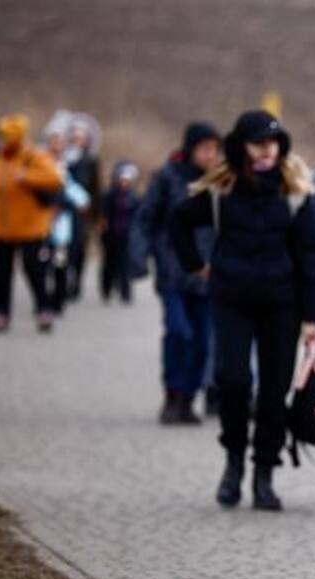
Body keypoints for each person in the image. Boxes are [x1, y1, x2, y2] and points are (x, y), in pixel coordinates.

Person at [172, 110, 315, 511]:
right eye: (258, 143)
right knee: (232, 382)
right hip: (231, 300)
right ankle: (234, 462)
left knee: (274, 393)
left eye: (272, 143)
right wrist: (195, 265)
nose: (266, 151)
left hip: (282, 305)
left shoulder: (295, 194)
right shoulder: (222, 189)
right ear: (242, 146)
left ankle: (263, 475)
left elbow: (310, 259)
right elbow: (178, 220)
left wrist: (312, 319)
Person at [131, 122, 222, 425]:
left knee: (203, 342)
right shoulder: (167, 178)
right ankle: (172, 394)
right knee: (179, 332)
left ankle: (188, 398)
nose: (211, 155)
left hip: (209, 275)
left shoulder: (221, 182)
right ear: (191, 148)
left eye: (215, 149)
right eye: (205, 148)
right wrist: (139, 256)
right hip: (172, 271)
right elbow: (145, 219)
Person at [0, 114, 63, 332]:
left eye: (4, 138)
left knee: (34, 270)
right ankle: (1, 313)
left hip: (30, 228)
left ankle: (43, 309)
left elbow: (55, 179)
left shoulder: (33, 157)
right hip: (1, 229)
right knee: (1, 273)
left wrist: (27, 177)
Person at [42, 119, 90, 316]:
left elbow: (76, 195)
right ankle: (45, 298)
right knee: (44, 262)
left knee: (61, 261)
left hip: (62, 222)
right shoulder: (41, 165)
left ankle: (58, 299)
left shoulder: (66, 168)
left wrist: (63, 205)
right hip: (43, 221)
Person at [65, 113, 102, 300]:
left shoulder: (91, 161)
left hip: (83, 212)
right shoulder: (64, 159)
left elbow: (95, 188)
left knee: (79, 248)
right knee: (64, 248)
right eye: (75, 136)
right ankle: (64, 282)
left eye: (82, 137)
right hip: (64, 210)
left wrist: (97, 215)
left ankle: (76, 283)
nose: (78, 140)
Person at [100, 161, 140, 304]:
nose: (124, 183)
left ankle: (126, 292)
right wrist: (104, 227)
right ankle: (106, 290)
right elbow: (103, 214)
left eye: (127, 180)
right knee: (109, 264)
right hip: (111, 234)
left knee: (125, 264)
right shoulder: (109, 195)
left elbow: (138, 216)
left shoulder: (134, 197)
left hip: (127, 235)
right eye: (122, 180)